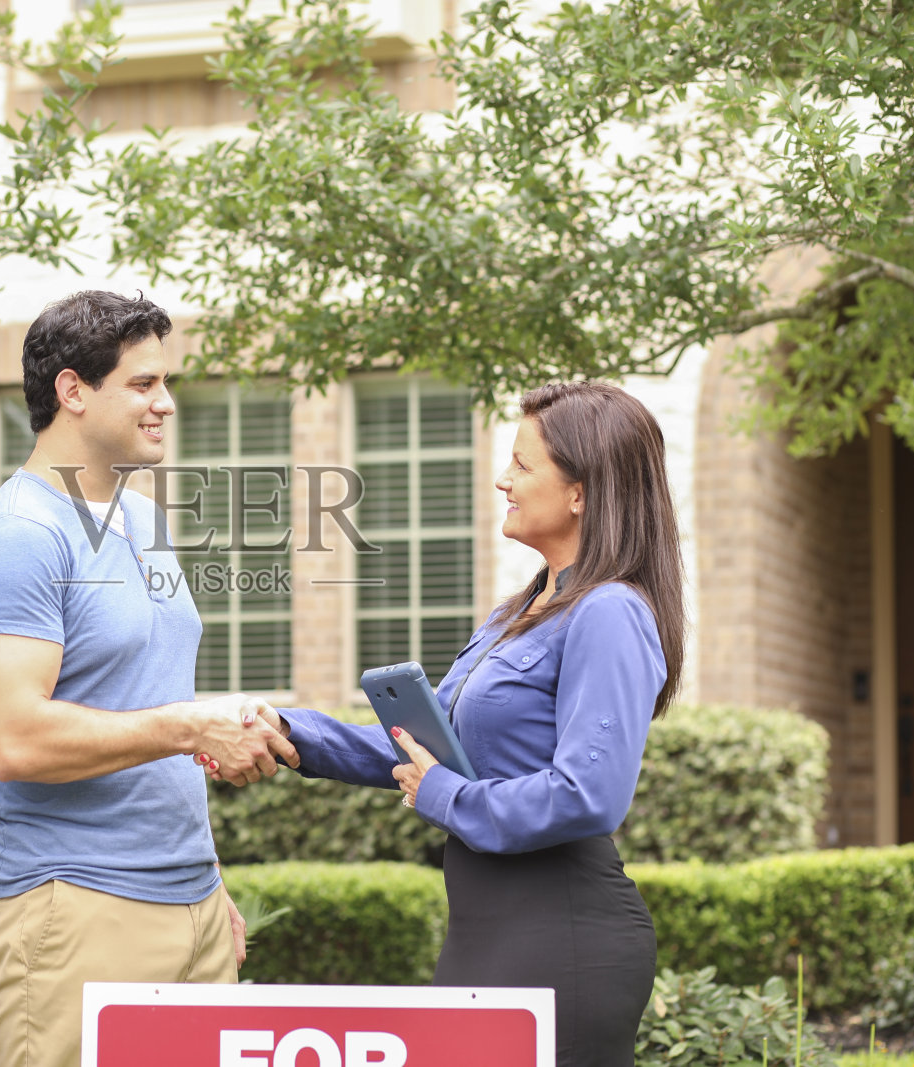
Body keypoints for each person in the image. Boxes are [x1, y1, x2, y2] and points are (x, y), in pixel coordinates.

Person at [242, 381, 684, 1067]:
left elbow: (589, 794)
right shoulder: (520, 610)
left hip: (560, 935)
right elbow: (426, 747)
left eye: (523, 464)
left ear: (582, 491)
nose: (503, 479)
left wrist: (445, 794)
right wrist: (291, 732)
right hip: (484, 928)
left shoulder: (610, 611)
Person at [0, 290, 297, 1067]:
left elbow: (141, 693)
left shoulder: (144, 522)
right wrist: (190, 726)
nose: (165, 403)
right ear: (73, 390)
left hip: (191, 901)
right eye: (142, 384)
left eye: (164, 383)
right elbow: (14, 740)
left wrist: (204, 877)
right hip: (74, 906)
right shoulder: (16, 538)